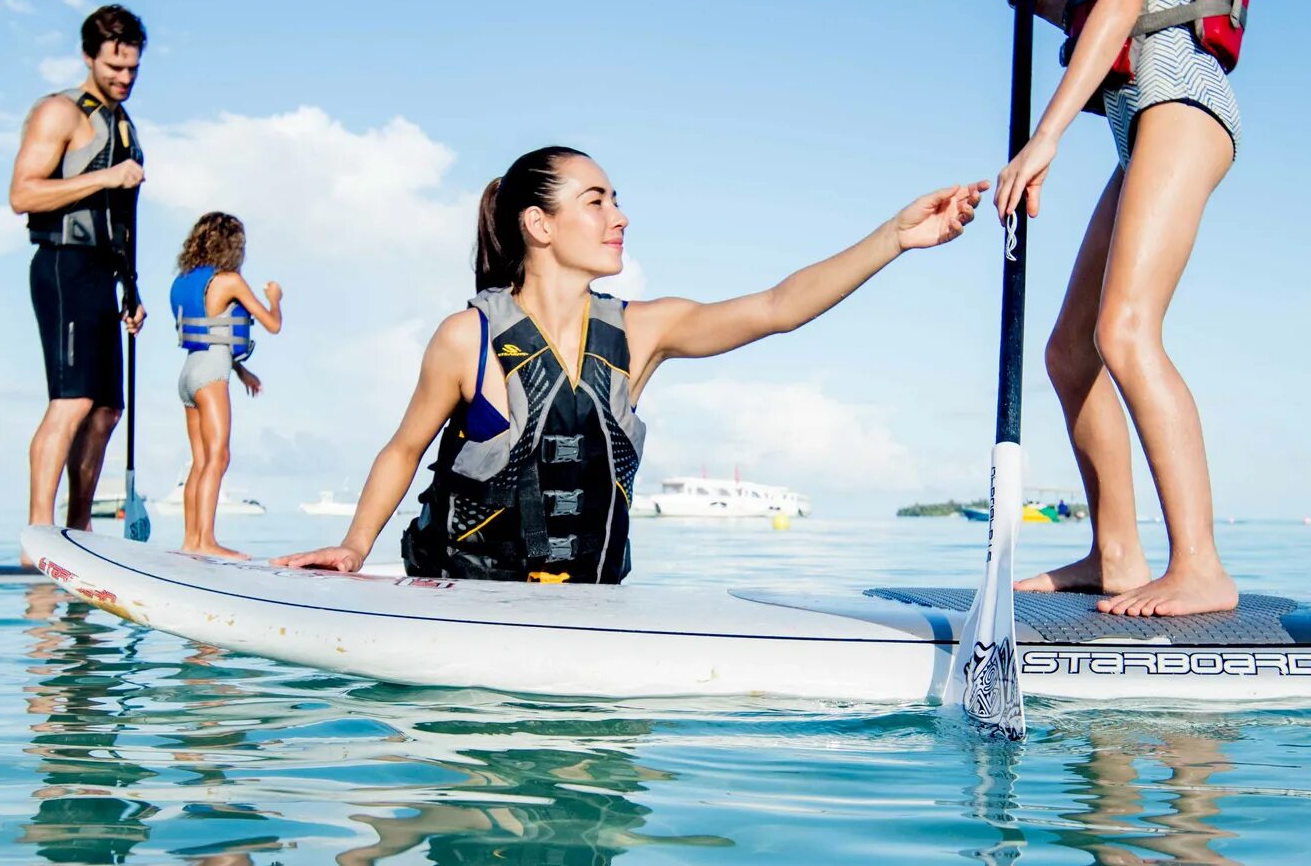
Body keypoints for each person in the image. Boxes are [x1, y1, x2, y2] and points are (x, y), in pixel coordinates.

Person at [280, 146, 983, 583]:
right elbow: (404, 449)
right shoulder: (468, 337)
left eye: (617, 199)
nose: (618, 215)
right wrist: (353, 545)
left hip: (591, 614)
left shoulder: (641, 331)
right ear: (540, 223)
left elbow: (779, 305)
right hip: (469, 600)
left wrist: (895, 236)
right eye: (597, 200)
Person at [993, 0, 1266, 616]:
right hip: (1140, 111)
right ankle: (1115, 553)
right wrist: (1045, 3)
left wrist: (1046, 138)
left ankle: (1201, 564)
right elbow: (1110, 15)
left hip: (1182, 102)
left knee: (1125, 330)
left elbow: (1123, 11)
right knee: (1072, 352)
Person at [11, 4, 151, 535]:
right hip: (62, 265)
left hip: (102, 273)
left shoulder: (120, 122)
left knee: (106, 411)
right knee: (71, 402)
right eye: (115, 67)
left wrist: (130, 288)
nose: (125, 78)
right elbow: (22, 193)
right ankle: (39, 533)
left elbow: (120, 216)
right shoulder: (60, 112)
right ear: (89, 56)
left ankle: (79, 531)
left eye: (133, 68)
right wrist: (106, 178)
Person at [166, 211, 283, 557]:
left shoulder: (184, 281)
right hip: (210, 376)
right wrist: (275, 296)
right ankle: (207, 543)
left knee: (200, 461)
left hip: (189, 372)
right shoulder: (228, 280)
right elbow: (272, 324)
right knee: (218, 457)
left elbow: (209, 333)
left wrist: (242, 372)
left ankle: (191, 541)